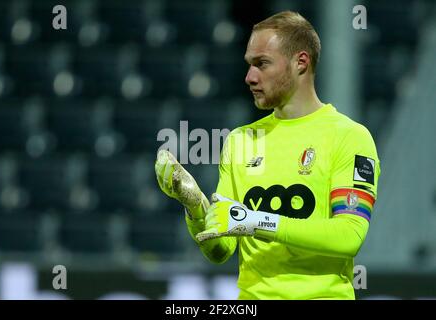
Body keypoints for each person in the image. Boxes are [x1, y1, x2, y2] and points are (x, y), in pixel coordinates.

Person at [155, 10, 380, 300]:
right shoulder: (241, 140)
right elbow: (220, 252)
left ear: (300, 62)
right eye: (249, 65)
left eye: (262, 64)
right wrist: (194, 206)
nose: (249, 77)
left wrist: (255, 221)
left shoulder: (349, 137)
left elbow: (349, 236)